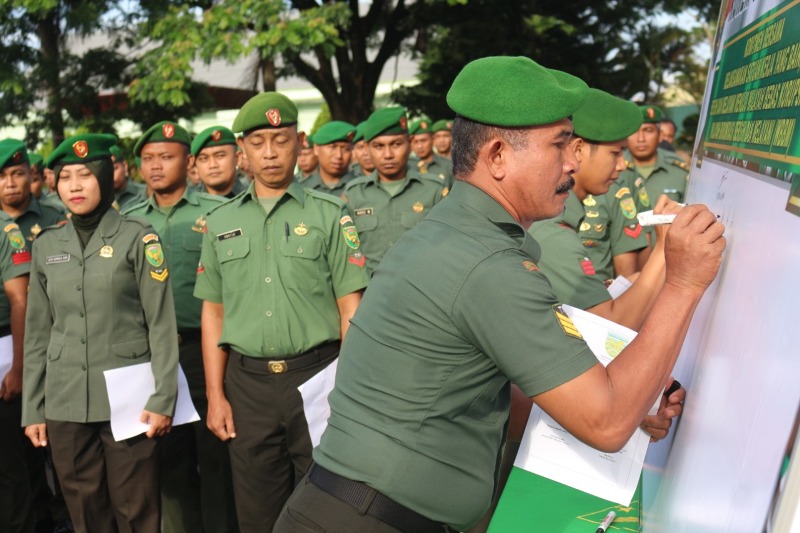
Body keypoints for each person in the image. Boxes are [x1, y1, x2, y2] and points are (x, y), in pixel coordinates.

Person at [274, 55, 725, 533]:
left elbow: (475, 396)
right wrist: (683, 282)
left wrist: (634, 406)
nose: (573, 160)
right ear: (496, 156)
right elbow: (606, 423)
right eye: (559, 145)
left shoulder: (451, 233)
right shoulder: (487, 264)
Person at [193, 92, 370, 532]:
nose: (270, 152)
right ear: (243, 151)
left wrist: (345, 389)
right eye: (258, 142)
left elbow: (351, 306)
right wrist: (216, 395)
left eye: (280, 139)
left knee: (328, 506)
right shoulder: (219, 223)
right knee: (258, 513)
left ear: (299, 141)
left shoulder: (331, 216)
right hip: (247, 386)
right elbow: (213, 312)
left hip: (318, 378)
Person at [22, 133, 180, 533]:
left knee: (136, 511)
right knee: (85, 513)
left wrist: (164, 396)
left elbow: (161, 321)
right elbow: (39, 333)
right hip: (65, 400)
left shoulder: (137, 236)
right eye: (65, 177)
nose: (74, 186)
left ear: (106, 177)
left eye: (85, 175)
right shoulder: (46, 245)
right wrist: (33, 407)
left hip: (129, 399)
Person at [125, 121, 238, 533]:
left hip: (204, 350)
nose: (156, 166)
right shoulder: (129, 220)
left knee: (217, 455)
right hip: (153, 355)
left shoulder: (218, 213)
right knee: (166, 461)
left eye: (166, 157)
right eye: (148, 158)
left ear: (188, 163)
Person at [530, 88, 669, 331]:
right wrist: (664, 249)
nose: (623, 165)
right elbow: (609, 327)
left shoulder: (562, 212)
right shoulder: (552, 227)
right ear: (579, 150)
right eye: (615, 153)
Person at [342, 107, 447, 273]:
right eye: (378, 146)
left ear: (410, 143)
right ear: (368, 148)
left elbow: (446, 249)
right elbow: (345, 255)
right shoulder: (354, 194)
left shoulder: (433, 191)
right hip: (369, 293)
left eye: (396, 144)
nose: (388, 154)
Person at [0, 141, 34, 533]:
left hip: (4, 354)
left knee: (9, 469)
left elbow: (19, 302)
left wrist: (19, 367)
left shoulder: (6, 232)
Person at [623, 105, 689, 204]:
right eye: (634, 131)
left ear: (660, 135)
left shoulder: (679, 171)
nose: (641, 139)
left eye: (648, 130)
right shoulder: (613, 168)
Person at [301, 121, 357, 197]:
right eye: (333, 147)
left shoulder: (361, 189)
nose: (339, 155)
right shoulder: (301, 189)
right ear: (316, 149)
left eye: (345, 149)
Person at [192, 125, 247, 199]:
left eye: (220, 156)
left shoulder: (254, 199)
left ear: (238, 158)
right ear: (195, 165)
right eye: (204, 158)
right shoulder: (185, 206)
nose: (212, 165)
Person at [409, 117, 454, 188]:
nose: (420, 146)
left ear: (432, 140)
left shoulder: (448, 166)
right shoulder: (408, 167)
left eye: (423, 141)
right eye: (415, 142)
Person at [110, 144, 146, 211]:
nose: (109, 175)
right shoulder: (96, 200)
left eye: (114, 169)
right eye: (104, 170)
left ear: (125, 166)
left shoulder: (145, 194)